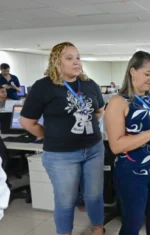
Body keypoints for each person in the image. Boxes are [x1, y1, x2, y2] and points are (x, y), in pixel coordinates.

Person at [19, 42, 105, 235]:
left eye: (78, 57)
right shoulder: (43, 87)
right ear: (57, 62)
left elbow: (99, 111)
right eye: (69, 58)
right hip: (61, 155)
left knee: (94, 195)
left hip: (93, 149)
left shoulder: (89, 84)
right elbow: (27, 121)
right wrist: (51, 135)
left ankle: (98, 228)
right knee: (66, 200)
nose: (76, 62)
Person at [104, 51, 150, 235]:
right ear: (132, 71)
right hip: (132, 173)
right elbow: (117, 145)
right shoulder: (118, 102)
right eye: (147, 74)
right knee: (133, 224)